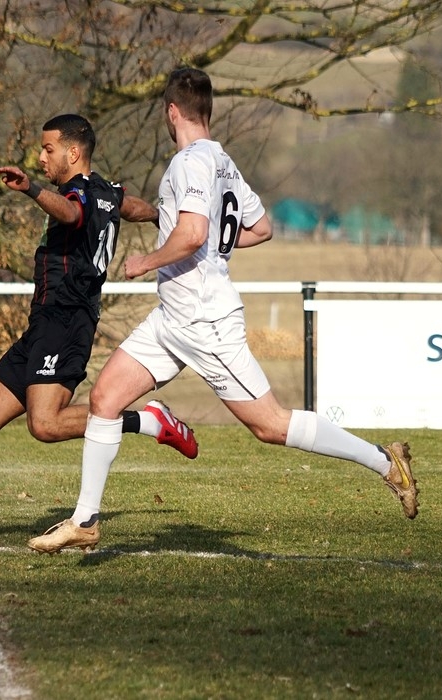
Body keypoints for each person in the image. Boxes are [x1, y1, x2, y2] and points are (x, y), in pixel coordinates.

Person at [27, 68, 419, 554]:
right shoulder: (223, 163)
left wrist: (147, 261)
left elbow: (193, 235)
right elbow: (261, 228)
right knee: (105, 398)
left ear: (172, 111)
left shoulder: (189, 162)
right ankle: (84, 521)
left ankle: (385, 461)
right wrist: (209, 247)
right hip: (173, 317)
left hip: (204, 320)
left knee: (270, 424)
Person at [0, 114, 199, 548]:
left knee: (46, 424)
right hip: (42, 324)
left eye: (48, 149)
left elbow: (71, 213)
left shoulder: (78, 195)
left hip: (67, 323)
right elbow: (130, 207)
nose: (41, 157)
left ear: (73, 152)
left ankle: (146, 420)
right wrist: (160, 216)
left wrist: (31, 190)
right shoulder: (107, 192)